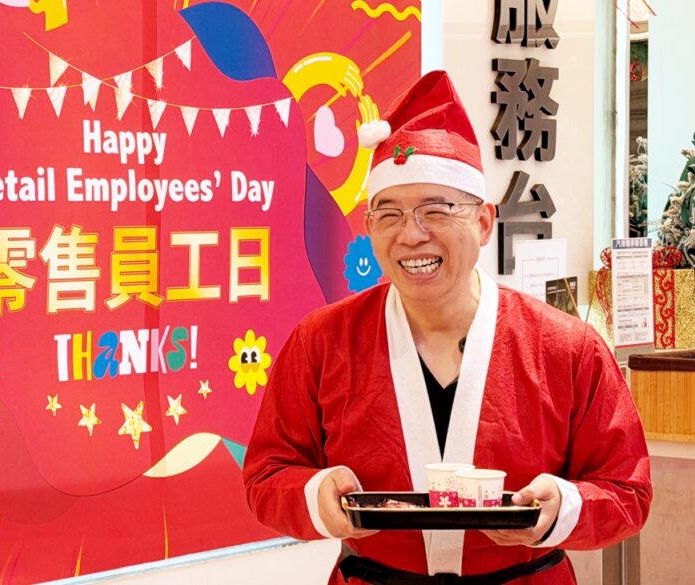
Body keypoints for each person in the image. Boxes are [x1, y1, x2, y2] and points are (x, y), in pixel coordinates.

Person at [242, 70, 652, 584]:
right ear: (369, 228)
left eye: (435, 210)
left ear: (483, 223)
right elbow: (267, 476)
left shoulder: (566, 347)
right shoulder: (322, 341)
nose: (411, 235)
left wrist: (562, 508)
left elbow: (627, 491)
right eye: (388, 214)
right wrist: (315, 496)